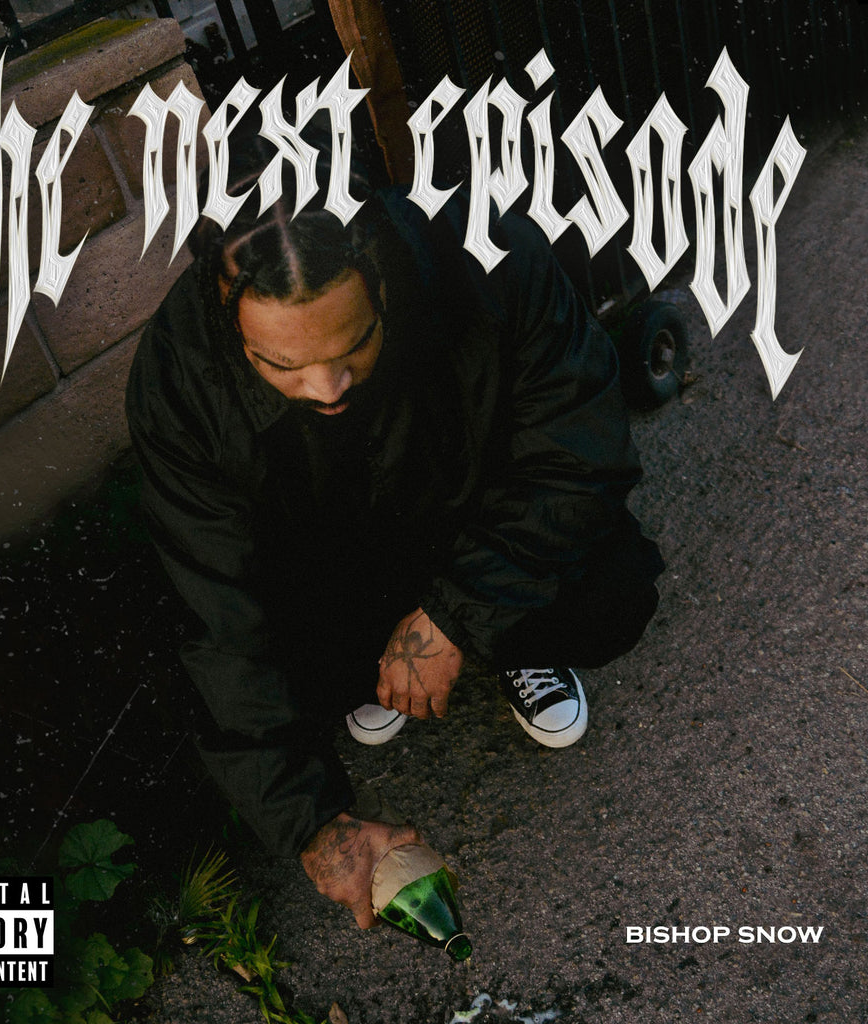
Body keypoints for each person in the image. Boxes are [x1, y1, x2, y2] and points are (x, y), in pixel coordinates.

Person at [125, 138, 664, 930]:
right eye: (282, 365)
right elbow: (217, 614)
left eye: (353, 345)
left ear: (380, 274)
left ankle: (504, 641)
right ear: (226, 311)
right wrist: (313, 825)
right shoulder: (177, 376)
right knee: (257, 664)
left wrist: (458, 613)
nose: (326, 387)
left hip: (467, 519)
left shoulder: (492, 258)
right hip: (340, 568)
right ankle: (368, 671)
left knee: (610, 591)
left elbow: (577, 452)